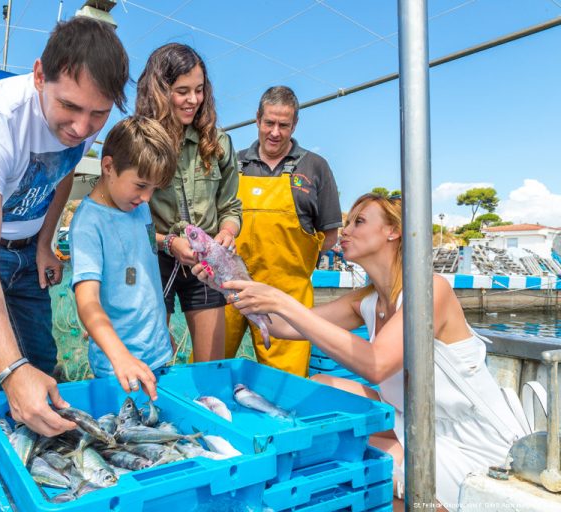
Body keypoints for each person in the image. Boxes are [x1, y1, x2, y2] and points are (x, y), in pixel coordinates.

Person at [195, 193, 526, 510]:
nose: (346, 230)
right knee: (324, 388)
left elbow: (377, 364)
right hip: (413, 418)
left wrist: (282, 300)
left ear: (393, 232)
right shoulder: (366, 300)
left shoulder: (430, 289)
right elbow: (283, 327)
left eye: (359, 222)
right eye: (348, 222)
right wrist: (226, 285)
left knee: (358, 463)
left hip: (470, 435)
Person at [0, 17, 128, 506]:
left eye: (98, 114)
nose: (81, 127)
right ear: (39, 75)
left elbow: (60, 176)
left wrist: (43, 243)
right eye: (70, 107)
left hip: (24, 239)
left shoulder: (86, 121)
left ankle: (38, 470)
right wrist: (12, 371)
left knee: (45, 363)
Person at [135, 43, 242, 362]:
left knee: (213, 366)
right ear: (159, 91)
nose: (193, 100)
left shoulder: (218, 142)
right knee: (150, 362)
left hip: (204, 262)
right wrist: (168, 243)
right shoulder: (140, 141)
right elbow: (123, 220)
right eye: (182, 91)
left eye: (199, 90)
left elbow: (231, 207)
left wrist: (227, 232)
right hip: (153, 260)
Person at [225, 86, 342, 376]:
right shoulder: (233, 163)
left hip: (286, 299)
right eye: (269, 123)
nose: (275, 132)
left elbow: (329, 236)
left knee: (284, 386)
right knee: (210, 371)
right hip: (227, 292)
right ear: (257, 119)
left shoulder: (316, 167)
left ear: (295, 124)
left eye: (284, 125)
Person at [70, 116, 177, 398]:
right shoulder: (88, 223)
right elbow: (87, 301)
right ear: (108, 167)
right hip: (119, 369)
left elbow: (134, 251)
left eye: (154, 189)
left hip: (158, 352)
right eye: (141, 185)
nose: (147, 197)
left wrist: (170, 244)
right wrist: (121, 357)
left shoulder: (136, 206)